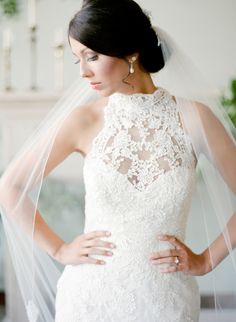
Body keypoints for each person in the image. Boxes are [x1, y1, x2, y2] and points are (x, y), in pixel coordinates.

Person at [0, 0, 235, 321]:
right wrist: (59, 249)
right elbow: (10, 186)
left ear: (130, 53)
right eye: (78, 59)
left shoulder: (195, 118)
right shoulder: (83, 120)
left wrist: (207, 261)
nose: (83, 71)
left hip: (167, 300)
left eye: (92, 56)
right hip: (90, 297)